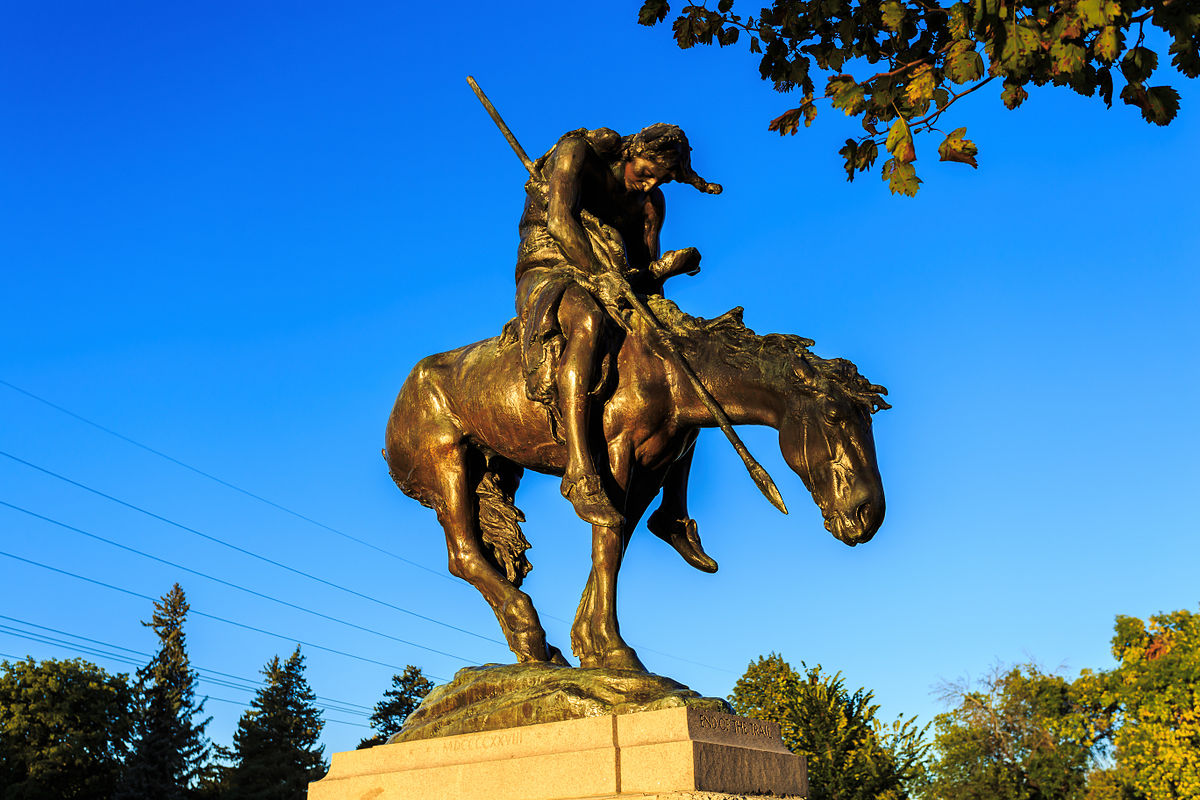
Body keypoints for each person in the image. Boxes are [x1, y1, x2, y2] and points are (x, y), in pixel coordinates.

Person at [511, 123, 720, 572]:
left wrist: (666, 268)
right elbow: (559, 220)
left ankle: (674, 514)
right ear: (634, 150)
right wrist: (598, 275)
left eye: (661, 180)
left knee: (675, 360)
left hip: (613, 282)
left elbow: (644, 281)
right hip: (549, 266)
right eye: (647, 172)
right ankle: (581, 470)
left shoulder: (650, 207)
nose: (649, 184)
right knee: (586, 317)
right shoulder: (579, 153)